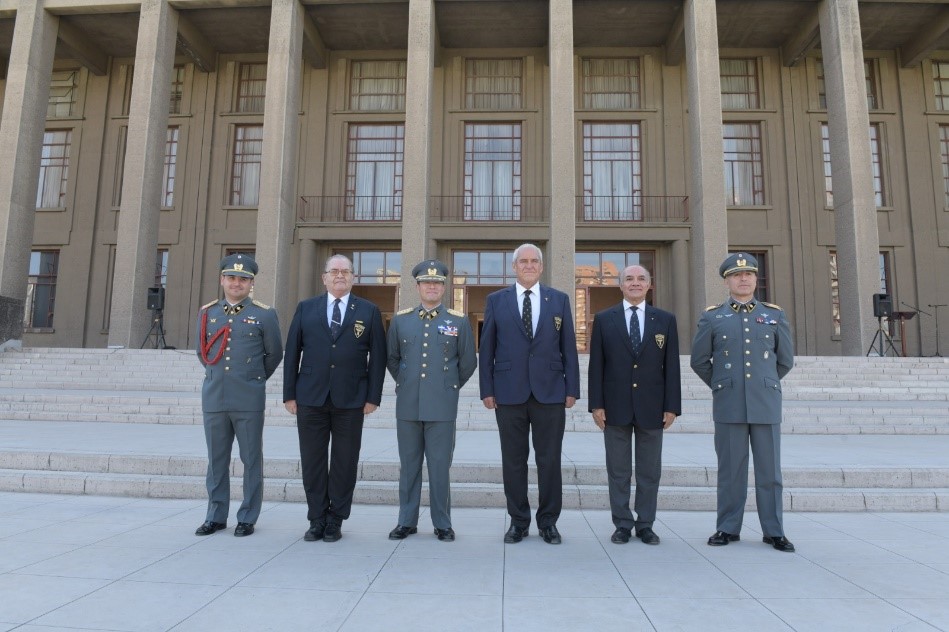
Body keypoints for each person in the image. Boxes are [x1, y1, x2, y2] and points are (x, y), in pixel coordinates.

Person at [690, 252, 796, 553]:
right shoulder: (713, 317)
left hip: (765, 403)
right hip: (729, 404)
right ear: (727, 281)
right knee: (730, 471)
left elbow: (785, 361)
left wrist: (763, 383)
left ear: (755, 279)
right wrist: (723, 386)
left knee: (770, 473)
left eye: (749, 274)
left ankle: (774, 531)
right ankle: (727, 527)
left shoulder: (774, 315)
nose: (744, 279)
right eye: (737, 275)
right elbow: (700, 360)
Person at [479, 243, 580, 545]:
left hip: (550, 392)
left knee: (549, 460)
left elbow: (569, 347)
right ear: (513, 267)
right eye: (522, 261)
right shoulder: (496, 300)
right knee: (513, 460)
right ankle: (518, 521)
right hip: (508, 393)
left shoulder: (558, 300)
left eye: (534, 261)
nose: (528, 265)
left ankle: (548, 522)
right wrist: (487, 389)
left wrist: (572, 388)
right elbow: (487, 348)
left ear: (541, 266)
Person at [283, 254, 386, 543]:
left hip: (352, 399)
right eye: (334, 271)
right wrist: (289, 394)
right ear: (324, 277)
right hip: (310, 398)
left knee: (345, 462)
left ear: (353, 277)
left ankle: (336, 519)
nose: (340, 275)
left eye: (346, 271)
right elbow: (292, 354)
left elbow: (377, 358)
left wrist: (373, 396)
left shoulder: (369, 310)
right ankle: (316, 518)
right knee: (313, 461)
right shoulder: (306, 308)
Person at [588, 264, 681, 545]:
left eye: (641, 279)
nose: (635, 283)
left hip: (653, 407)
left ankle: (645, 524)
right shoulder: (605, 319)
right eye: (629, 279)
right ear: (621, 285)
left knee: (649, 471)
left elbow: (672, 366)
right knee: (618, 470)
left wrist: (672, 406)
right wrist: (596, 404)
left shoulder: (664, 320)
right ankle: (622, 524)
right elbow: (597, 366)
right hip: (614, 407)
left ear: (649, 284)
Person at [386, 260, 477, 542]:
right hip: (408, 404)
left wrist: (448, 388)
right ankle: (406, 521)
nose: (432, 287)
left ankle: (442, 522)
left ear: (444, 287)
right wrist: (405, 382)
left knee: (439, 467)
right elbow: (392, 359)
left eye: (437, 283)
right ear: (417, 287)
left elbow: (468, 362)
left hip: (442, 406)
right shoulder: (401, 320)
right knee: (409, 466)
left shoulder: (457, 321)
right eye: (427, 283)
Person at [194, 253, 283, 538]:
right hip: (215, 396)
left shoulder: (264, 314)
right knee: (216, 459)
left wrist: (252, 379)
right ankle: (216, 515)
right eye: (231, 278)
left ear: (251, 283)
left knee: (250, 459)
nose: (236, 283)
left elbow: (274, 354)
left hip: (248, 398)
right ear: (222, 280)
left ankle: (247, 516)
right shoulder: (208, 313)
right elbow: (203, 353)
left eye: (243, 279)